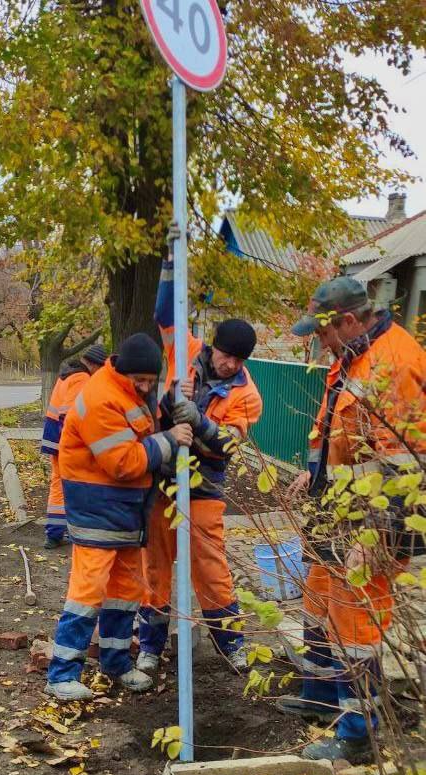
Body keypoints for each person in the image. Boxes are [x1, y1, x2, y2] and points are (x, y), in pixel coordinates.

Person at [277, 276, 426, 763]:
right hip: (334, 506)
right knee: (318, 596)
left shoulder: (396, 364)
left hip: (370, 519)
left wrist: (377, 534)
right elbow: (340, 432)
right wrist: (313, 471)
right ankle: (320, 694)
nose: (318, 344)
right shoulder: (352, 356)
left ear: (345, 321)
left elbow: (406, 466)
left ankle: (359, 731)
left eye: (321, 333)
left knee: (355, 622)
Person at [137, 223, 263, 674]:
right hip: (164, 478)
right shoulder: (183, 353)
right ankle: (151, 644)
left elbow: (226, 446)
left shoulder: (247, 394)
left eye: (237, 360)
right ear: (213, 347)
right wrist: (173, 259)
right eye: (226, 355)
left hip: (205, 487)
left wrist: (199, 420)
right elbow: (166, 311)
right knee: (155, 566)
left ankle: (231, 644)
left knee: (211, 567)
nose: (229, 364)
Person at [45, 333, 193, 701]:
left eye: (150, 381)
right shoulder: (100, 398)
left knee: (125, 591)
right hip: (98, 511)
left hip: (124, 514)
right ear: (121, 370)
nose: (145, 387)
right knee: (88, 591)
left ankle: (115, 662)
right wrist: (172, 439)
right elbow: (123, 463)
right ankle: (62, 673)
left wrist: (173, 401)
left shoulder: (128, 394)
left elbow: (143, 432)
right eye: (139, 380)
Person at [40, 345, 107, 549]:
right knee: (67, 486)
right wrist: (77, 444)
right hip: (64, 441)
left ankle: (55, 532)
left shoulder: (67, 374)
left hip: (54, 437)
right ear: (94, 365)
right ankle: (58, 533)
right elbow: (69, 415)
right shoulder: (81, 378)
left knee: (58, 486)